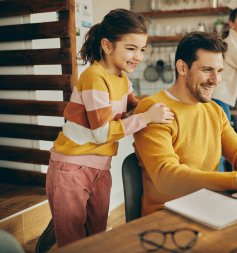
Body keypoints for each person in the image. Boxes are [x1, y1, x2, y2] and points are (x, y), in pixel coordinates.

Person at [39, 9, 174, 249]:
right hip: (72, 166)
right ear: (107, 45)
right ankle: (56, 233)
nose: (138, 56)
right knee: (72, 239)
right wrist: (146, 117)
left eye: (142, 49)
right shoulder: (95, 77)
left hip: (101, 168)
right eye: (131, 48)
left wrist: (163, 106)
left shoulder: (122, 78)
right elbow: (101, 133)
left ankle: (57, 227)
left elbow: (136, 106)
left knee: (97, 233)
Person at [133, 31, 237, 216]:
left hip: (208, 205)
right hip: (166, 217)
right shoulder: (153, 109)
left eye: (220, 71)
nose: (216, 80)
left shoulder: (214, 110)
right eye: (207, 70)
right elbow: (167, 177)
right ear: (182, 68)